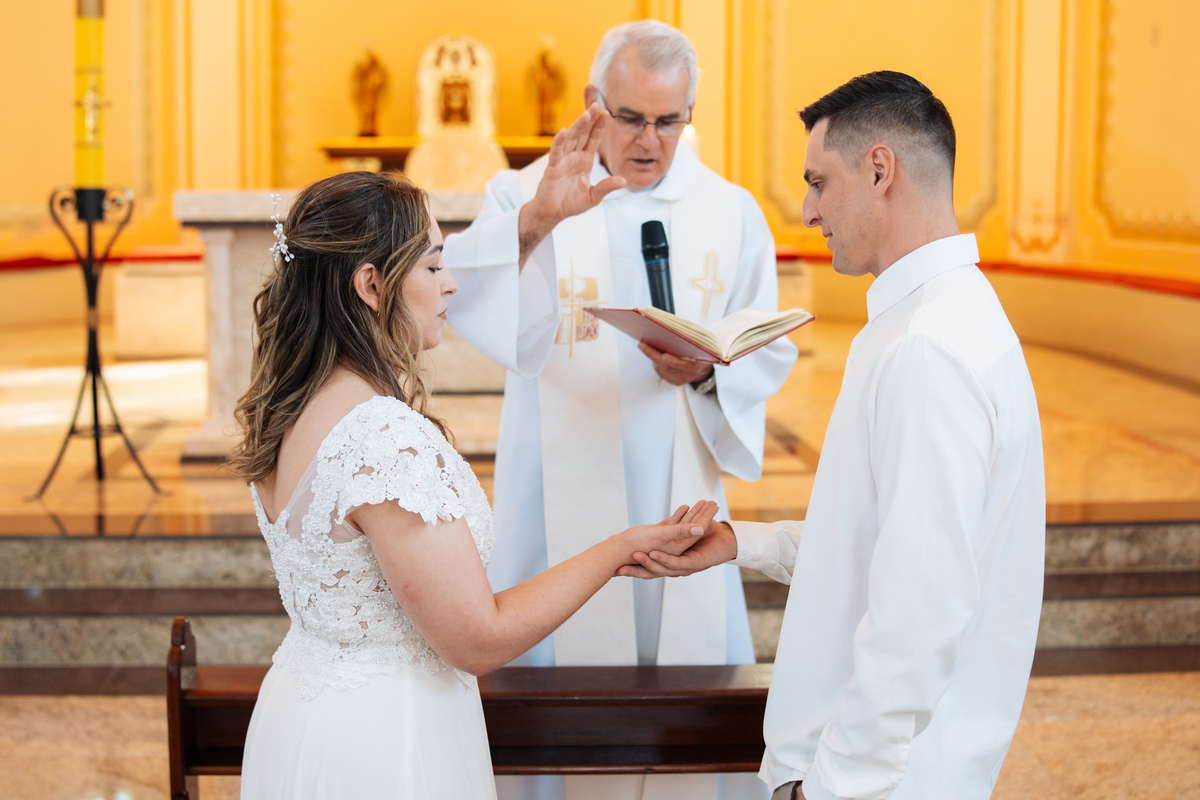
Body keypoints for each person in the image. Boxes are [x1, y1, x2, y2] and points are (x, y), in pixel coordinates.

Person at [623, 71, 1046, 800]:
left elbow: (921, 610)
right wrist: (743, 544)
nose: (810, 210)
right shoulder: (943, 317)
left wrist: (830, 787)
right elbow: (884, 541)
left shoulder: (927, 350)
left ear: (880, 169)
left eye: (818, 182)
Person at [228, 171, 710, 799]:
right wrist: (621, 549)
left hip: (304, 709)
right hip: (384, 739)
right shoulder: (380, 437)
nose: (451, 283)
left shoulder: (290, 406)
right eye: (432, 266)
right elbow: (477, 638)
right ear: (372, 285)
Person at [444, 19, 795, 800]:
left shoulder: (731, 211)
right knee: (557, 699)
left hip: (681, 486)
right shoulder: (523, 192)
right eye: (632, 118)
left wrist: (705, 374)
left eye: (671, 121)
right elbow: (469, 303)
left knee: (686, 671)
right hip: (554, 496)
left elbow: (762, 347)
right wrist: (539, 220)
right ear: (593, 104)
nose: (651, 141)